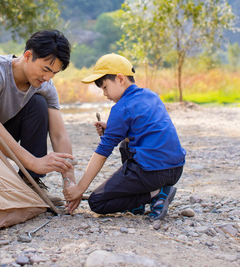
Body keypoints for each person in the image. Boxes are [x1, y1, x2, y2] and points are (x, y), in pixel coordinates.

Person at [63, 53, 186, 220]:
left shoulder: (121, 107)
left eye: (105, 87)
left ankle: (156, 193)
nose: (105, 94)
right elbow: (148, 131)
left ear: (120, 79)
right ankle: (139, 202)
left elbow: (103, 151)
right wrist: (114, 129)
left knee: (97, 202)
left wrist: (80, 189)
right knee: (124, 145)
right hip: (175, 169)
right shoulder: (151, 95)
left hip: (151, 172)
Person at [0, 29, 75, 197]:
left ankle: (31, 182)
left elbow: (59, 135)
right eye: (45, 69)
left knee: (38, 104)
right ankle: (24, 171)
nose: (47, 77)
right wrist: (34, 162)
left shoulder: (45, 85)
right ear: (27, 56)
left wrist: (70, 182)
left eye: (54, 73)